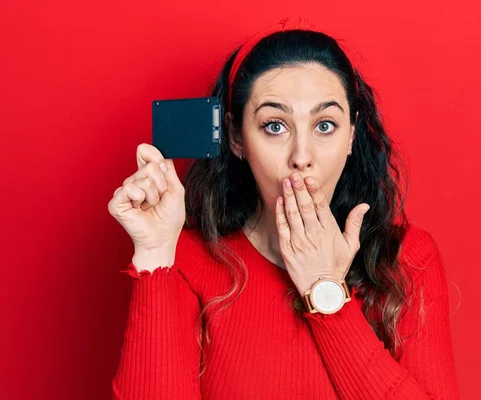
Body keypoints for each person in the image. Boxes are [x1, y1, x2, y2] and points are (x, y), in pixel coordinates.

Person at [108, 17, 460, 400]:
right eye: (275, 126)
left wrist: (324, 292)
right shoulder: (189, 262)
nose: (302, 157)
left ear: (351, 138)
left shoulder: (407, 259)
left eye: (325, 125)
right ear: (237, 138)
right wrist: (155, 253)